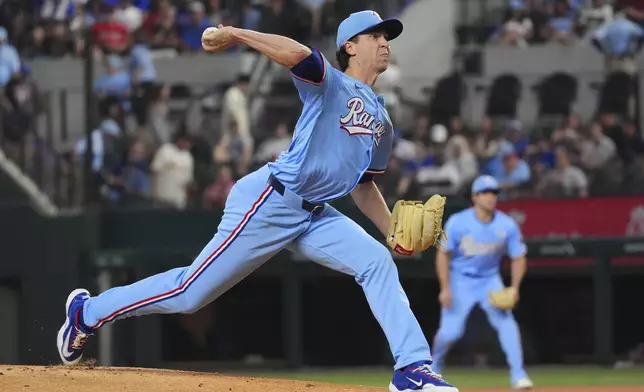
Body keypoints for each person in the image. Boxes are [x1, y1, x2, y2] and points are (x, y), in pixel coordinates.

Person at [56, 10, 459, 392]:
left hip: (317, 214)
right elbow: (297, 54)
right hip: (271, 201)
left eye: (387, 37)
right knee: (190, 293)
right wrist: (234, 33)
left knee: (376, 262)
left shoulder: (383, 119)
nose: (385, 43)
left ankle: (411, 369)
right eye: (375, 36)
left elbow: (363, 186)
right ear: (350, 46)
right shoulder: (331, 83)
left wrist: (392, 232)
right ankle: (88, 313)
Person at [431, 175, 533, 390]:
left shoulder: (506, 224)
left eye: (494, 193)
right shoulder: (458, 222)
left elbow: (519, 257)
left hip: (489, 280)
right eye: (485, 193)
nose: (490, 197)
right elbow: (443, 254)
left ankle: (519, 375)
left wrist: (514, 287)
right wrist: (445, 288)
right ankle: (434, 367)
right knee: (450, 333)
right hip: (461, 280)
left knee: (507, 325)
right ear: (474, 197)